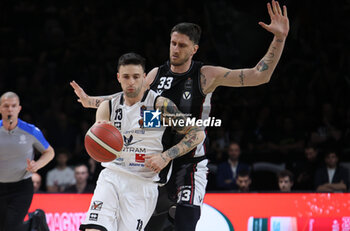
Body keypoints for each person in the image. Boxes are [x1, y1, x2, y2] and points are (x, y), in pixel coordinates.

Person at [71, 1, 289, 229]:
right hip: (156, 161)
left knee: (186, 220)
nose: (175, 49)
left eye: (182, 45)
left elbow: (258, 75)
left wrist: (279, 38)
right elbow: (128, 94)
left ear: (194, 49)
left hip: (189, 159)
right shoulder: (156, 74)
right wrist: (91, 101)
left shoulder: (206, 75)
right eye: (173, 43)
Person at [79, 53, 205, 231]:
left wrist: (166, 156)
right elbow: (97, 138)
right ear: (118, 78)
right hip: (111, 177)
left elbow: (197, 133)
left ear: (145, 77)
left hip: (143, 184)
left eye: (136, 76)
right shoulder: (108, 107)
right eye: (126, 76)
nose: (131, 82)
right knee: (94, 228)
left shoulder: (159, 105)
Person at [0, 91, 54, 231]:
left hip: (21, 187)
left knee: (10, 227)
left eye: (13, 106)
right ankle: (34, 223)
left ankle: (34, 221)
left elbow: (49, 152)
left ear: (19, 108)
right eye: (6, 106)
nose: (10, 109)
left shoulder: (31, 131)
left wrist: (38, 165)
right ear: (0, 108)